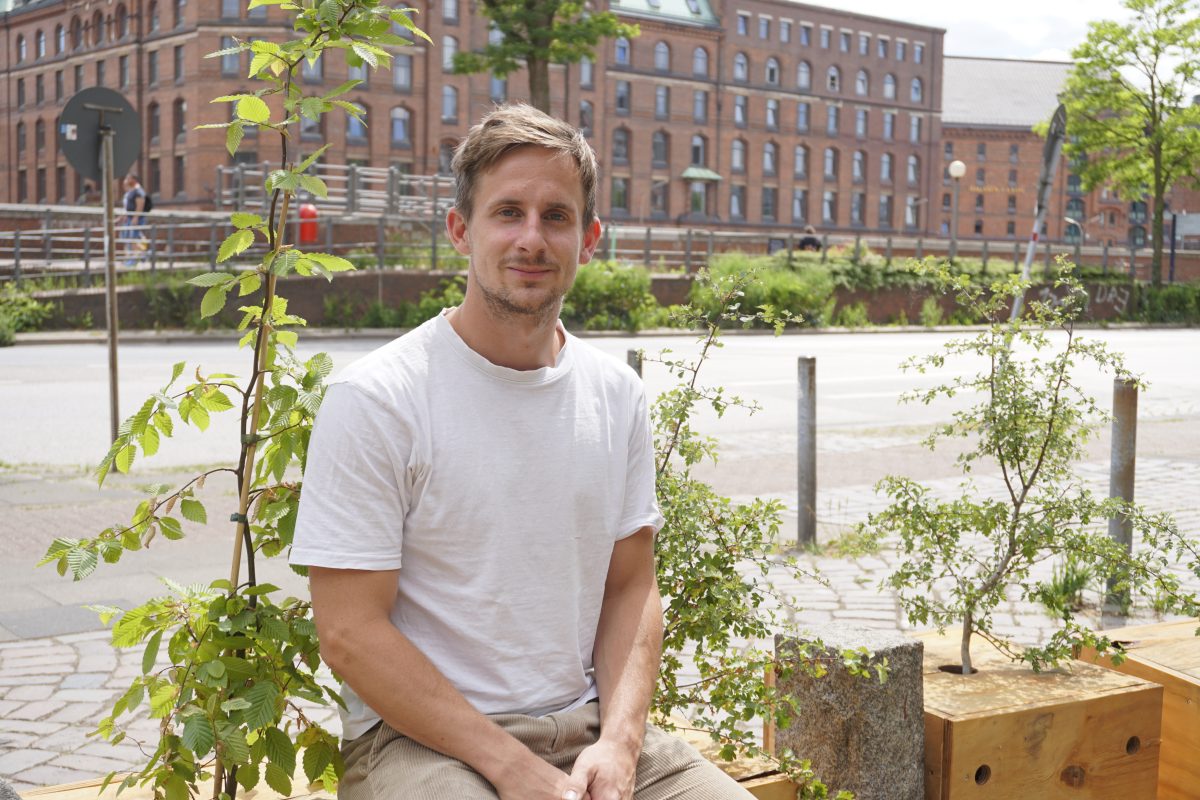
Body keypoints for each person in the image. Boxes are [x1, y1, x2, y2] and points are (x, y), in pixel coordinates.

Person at [290, 104, 754, 800]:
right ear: (460, 231)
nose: (531, 239)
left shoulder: (616, 394)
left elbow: (631, 584)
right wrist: (514, 770)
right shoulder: (380, 398)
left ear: (589, 239)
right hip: (420, 742)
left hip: (588, 725)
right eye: (507, 212)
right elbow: (350, 632)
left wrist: (621, 743)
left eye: (556, 216)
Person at [119, 174, 148, 265]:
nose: (127, 180)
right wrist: (125, 216)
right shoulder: (132, 191)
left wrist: (135, 217)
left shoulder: (138, 191)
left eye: (129, 178)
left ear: (134, 180)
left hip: (136, 219)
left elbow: (140, 204)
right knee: (131, 238)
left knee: (134, 238)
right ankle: (141, 257)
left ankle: (136, 259)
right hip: (130, 218)